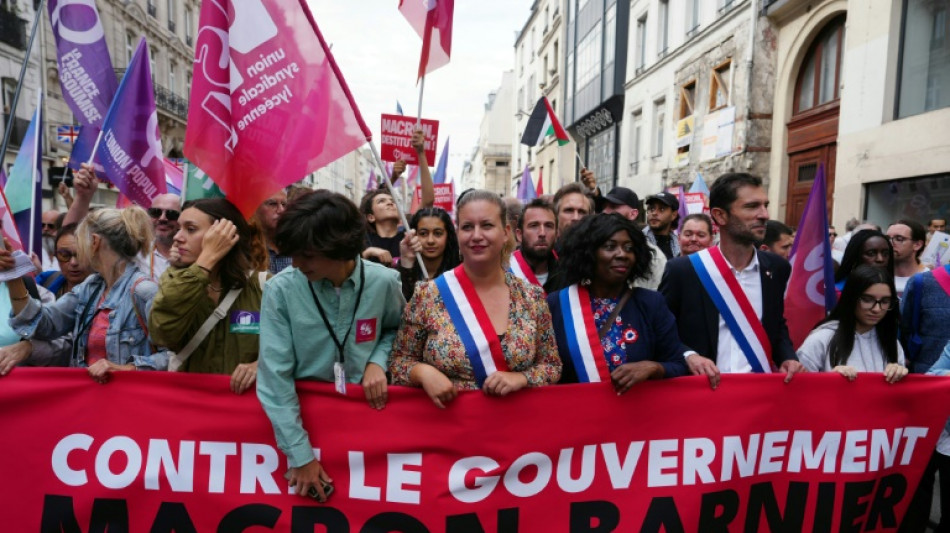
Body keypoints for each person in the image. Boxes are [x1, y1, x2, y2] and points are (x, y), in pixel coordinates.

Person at [257, 190, 404, 502]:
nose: (295, 264)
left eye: (307, 255)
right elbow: (274, 378)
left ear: (338, 248)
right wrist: (301, 457)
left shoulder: (385, 283)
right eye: (293, 253)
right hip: (303, 429)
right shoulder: (279, 291)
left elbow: (397, 329)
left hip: (367, 428)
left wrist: (378, 360)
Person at [390, 190, 561, 407]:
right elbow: (398, 363)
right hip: (449, 429)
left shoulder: (532, 297)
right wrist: (422, 372)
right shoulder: (428, 295)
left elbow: (551, 366)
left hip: (515, 429)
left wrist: (522, 378)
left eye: (487, 226)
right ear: (458, 232)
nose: (476, 235)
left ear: (506, 232)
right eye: (467, 227)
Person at [659, 173, 803, 388]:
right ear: (720, 216)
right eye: (752, 206)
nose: (764, 214)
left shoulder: (776, 268)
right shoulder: (684, 270)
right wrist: (688, 355)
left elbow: (776, 325)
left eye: (765, 205)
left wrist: (787, 357)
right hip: (703, 395)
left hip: (758, 395)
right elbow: (660, 330)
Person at [5, 198, 166, 381]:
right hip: (90, 403)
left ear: (95, 242)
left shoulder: (145, 292)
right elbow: (44, 325)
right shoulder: (91, 287)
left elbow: (172, 357)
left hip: (129, 404)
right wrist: (14, 277)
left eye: (80, 242)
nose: (76, 256)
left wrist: (127, 368)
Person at [547, 213, 689, 390]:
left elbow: (679, 364)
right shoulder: (557, 304)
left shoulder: (651, 303)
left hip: (635, 414)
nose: (622, 254)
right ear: (588, 253)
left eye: (629, 248)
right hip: (575, 413)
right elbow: (544, 369)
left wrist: (654, 367)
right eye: (610, 246)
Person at [150, 199, 267, 393]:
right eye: (179, 228)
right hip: (191, 408)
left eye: (191, 229)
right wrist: (206, 260)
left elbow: (294, 348)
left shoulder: (264, 286)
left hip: (245, 411)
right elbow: (162, 332)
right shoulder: (174, 279)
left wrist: (261, 364)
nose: (177, 237)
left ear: (225, 235)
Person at [796, 265, 907, 381]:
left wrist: (898, 374)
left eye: (885, 301)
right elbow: (799, 388)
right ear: (851, 298)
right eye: (867, 300)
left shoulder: (892, 343)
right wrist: (828, 380)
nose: (877, 309)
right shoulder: (821, 339)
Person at [601, 186, 666, 290]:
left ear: (633, 214)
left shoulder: (654, 257)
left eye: (613, 207)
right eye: (604, 207)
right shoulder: (592, 245)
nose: (605, 211)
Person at [397, 207, 460, 300]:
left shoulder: (460, 272)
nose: (430, 241)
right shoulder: (400, 271)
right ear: (414, 235)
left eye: (438, 234)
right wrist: (407, 262)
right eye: (423, 234)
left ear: (448, 236)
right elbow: (402, 306)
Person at [510, 198, 560, 293]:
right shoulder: (503, 273)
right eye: (534, 226)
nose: (542, 233)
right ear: (519, 235)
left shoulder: (567, 275)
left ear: (557, 234)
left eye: (548, 226)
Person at [834, 229, 894, 293]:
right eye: (871, 253)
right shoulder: (836, 293)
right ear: (855, 256)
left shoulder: (891, 290)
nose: (880, 259)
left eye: (885, 254)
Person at [886, 219, 928, 297]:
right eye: (887, 238)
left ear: (917, 245)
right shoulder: (878, 276)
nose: (890, 243)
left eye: (899, 239)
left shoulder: (930, 279)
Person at [255, 190, 290, 274]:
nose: (281, 210)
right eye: (272, 204)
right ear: (255, 208)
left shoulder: (296, 244)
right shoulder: (247, 245)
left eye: (284, 204)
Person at [644, 192, 681, 259]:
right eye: (652, 209)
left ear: (673, 215)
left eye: (662, 209)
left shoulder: (679, 245)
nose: (654, 213)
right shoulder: (639, 240)